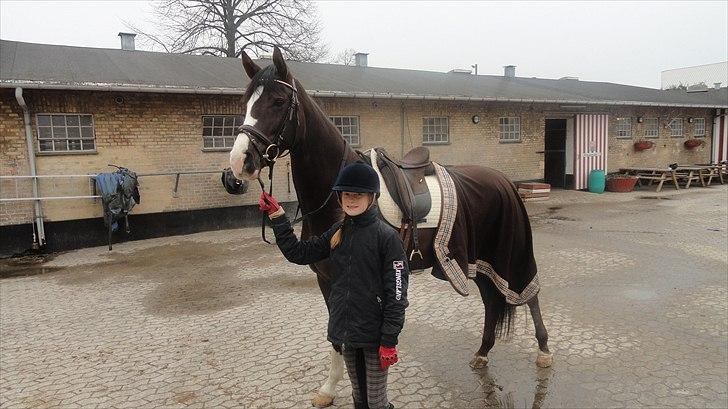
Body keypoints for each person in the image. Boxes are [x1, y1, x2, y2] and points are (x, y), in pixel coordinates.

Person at [259, 161, 409, 409]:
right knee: (359, 399)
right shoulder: (337, 232)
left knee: (376, 401)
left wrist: (389, 339)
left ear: (371, 197)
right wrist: (278, 218)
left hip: (375, 337)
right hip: (346, 333)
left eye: (358, 194)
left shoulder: (386, 237)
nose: (351, 200)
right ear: (339, 197)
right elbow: (298, 253)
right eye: (346, 194)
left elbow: (398, 293)